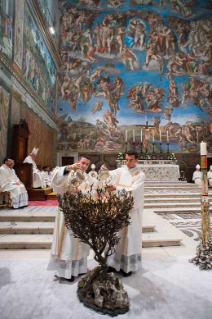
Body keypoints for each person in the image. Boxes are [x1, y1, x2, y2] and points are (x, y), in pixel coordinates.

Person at [48, 155, 95, 282]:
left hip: (82, 212)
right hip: (67, 211)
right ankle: (66, 272)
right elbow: (55, 180)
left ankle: (79, 269)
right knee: (69, 241)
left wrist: (81, 193)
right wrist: (68, 168)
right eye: (83, 163)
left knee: (80, 241)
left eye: (87, 164)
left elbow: (93, 191)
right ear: (78, 162)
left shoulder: (88, 177)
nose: (84, 166)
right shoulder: (68, 172)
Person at [104, 150, 145, 277]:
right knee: (115, 236)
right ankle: (111, 263)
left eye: (131, 160)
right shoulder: (120, 171)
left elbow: (135, 191)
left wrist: (117, 188)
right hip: (116, 208)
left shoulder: (140, 175)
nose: (128, 162)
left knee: (128, 238)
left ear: (136, 160)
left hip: (130, 211)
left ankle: (126, 267)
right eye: (126, 159)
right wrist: (104, 173)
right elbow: (107, 176)